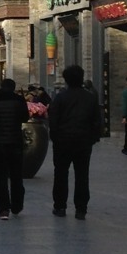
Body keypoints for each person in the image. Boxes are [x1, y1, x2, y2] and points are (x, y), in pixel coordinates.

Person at [48, 65, 102, 219]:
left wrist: (55, 137)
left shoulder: (60, 97)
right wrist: (92, 138)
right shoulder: (90, 97)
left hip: (63, 142)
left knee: (60, 174)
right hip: (83, 142)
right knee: (82, 175)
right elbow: (96, 121)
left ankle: (59, 207)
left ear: (65, 80)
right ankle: (81, 209)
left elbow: (53, 120)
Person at [0, 77, 30, 219]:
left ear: (1, 87)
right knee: (16, 176)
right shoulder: (19, 100)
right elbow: (25, 118)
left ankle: (3, 209)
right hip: (15, 142)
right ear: (13, 88)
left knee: (1, 177)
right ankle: (17, 205)